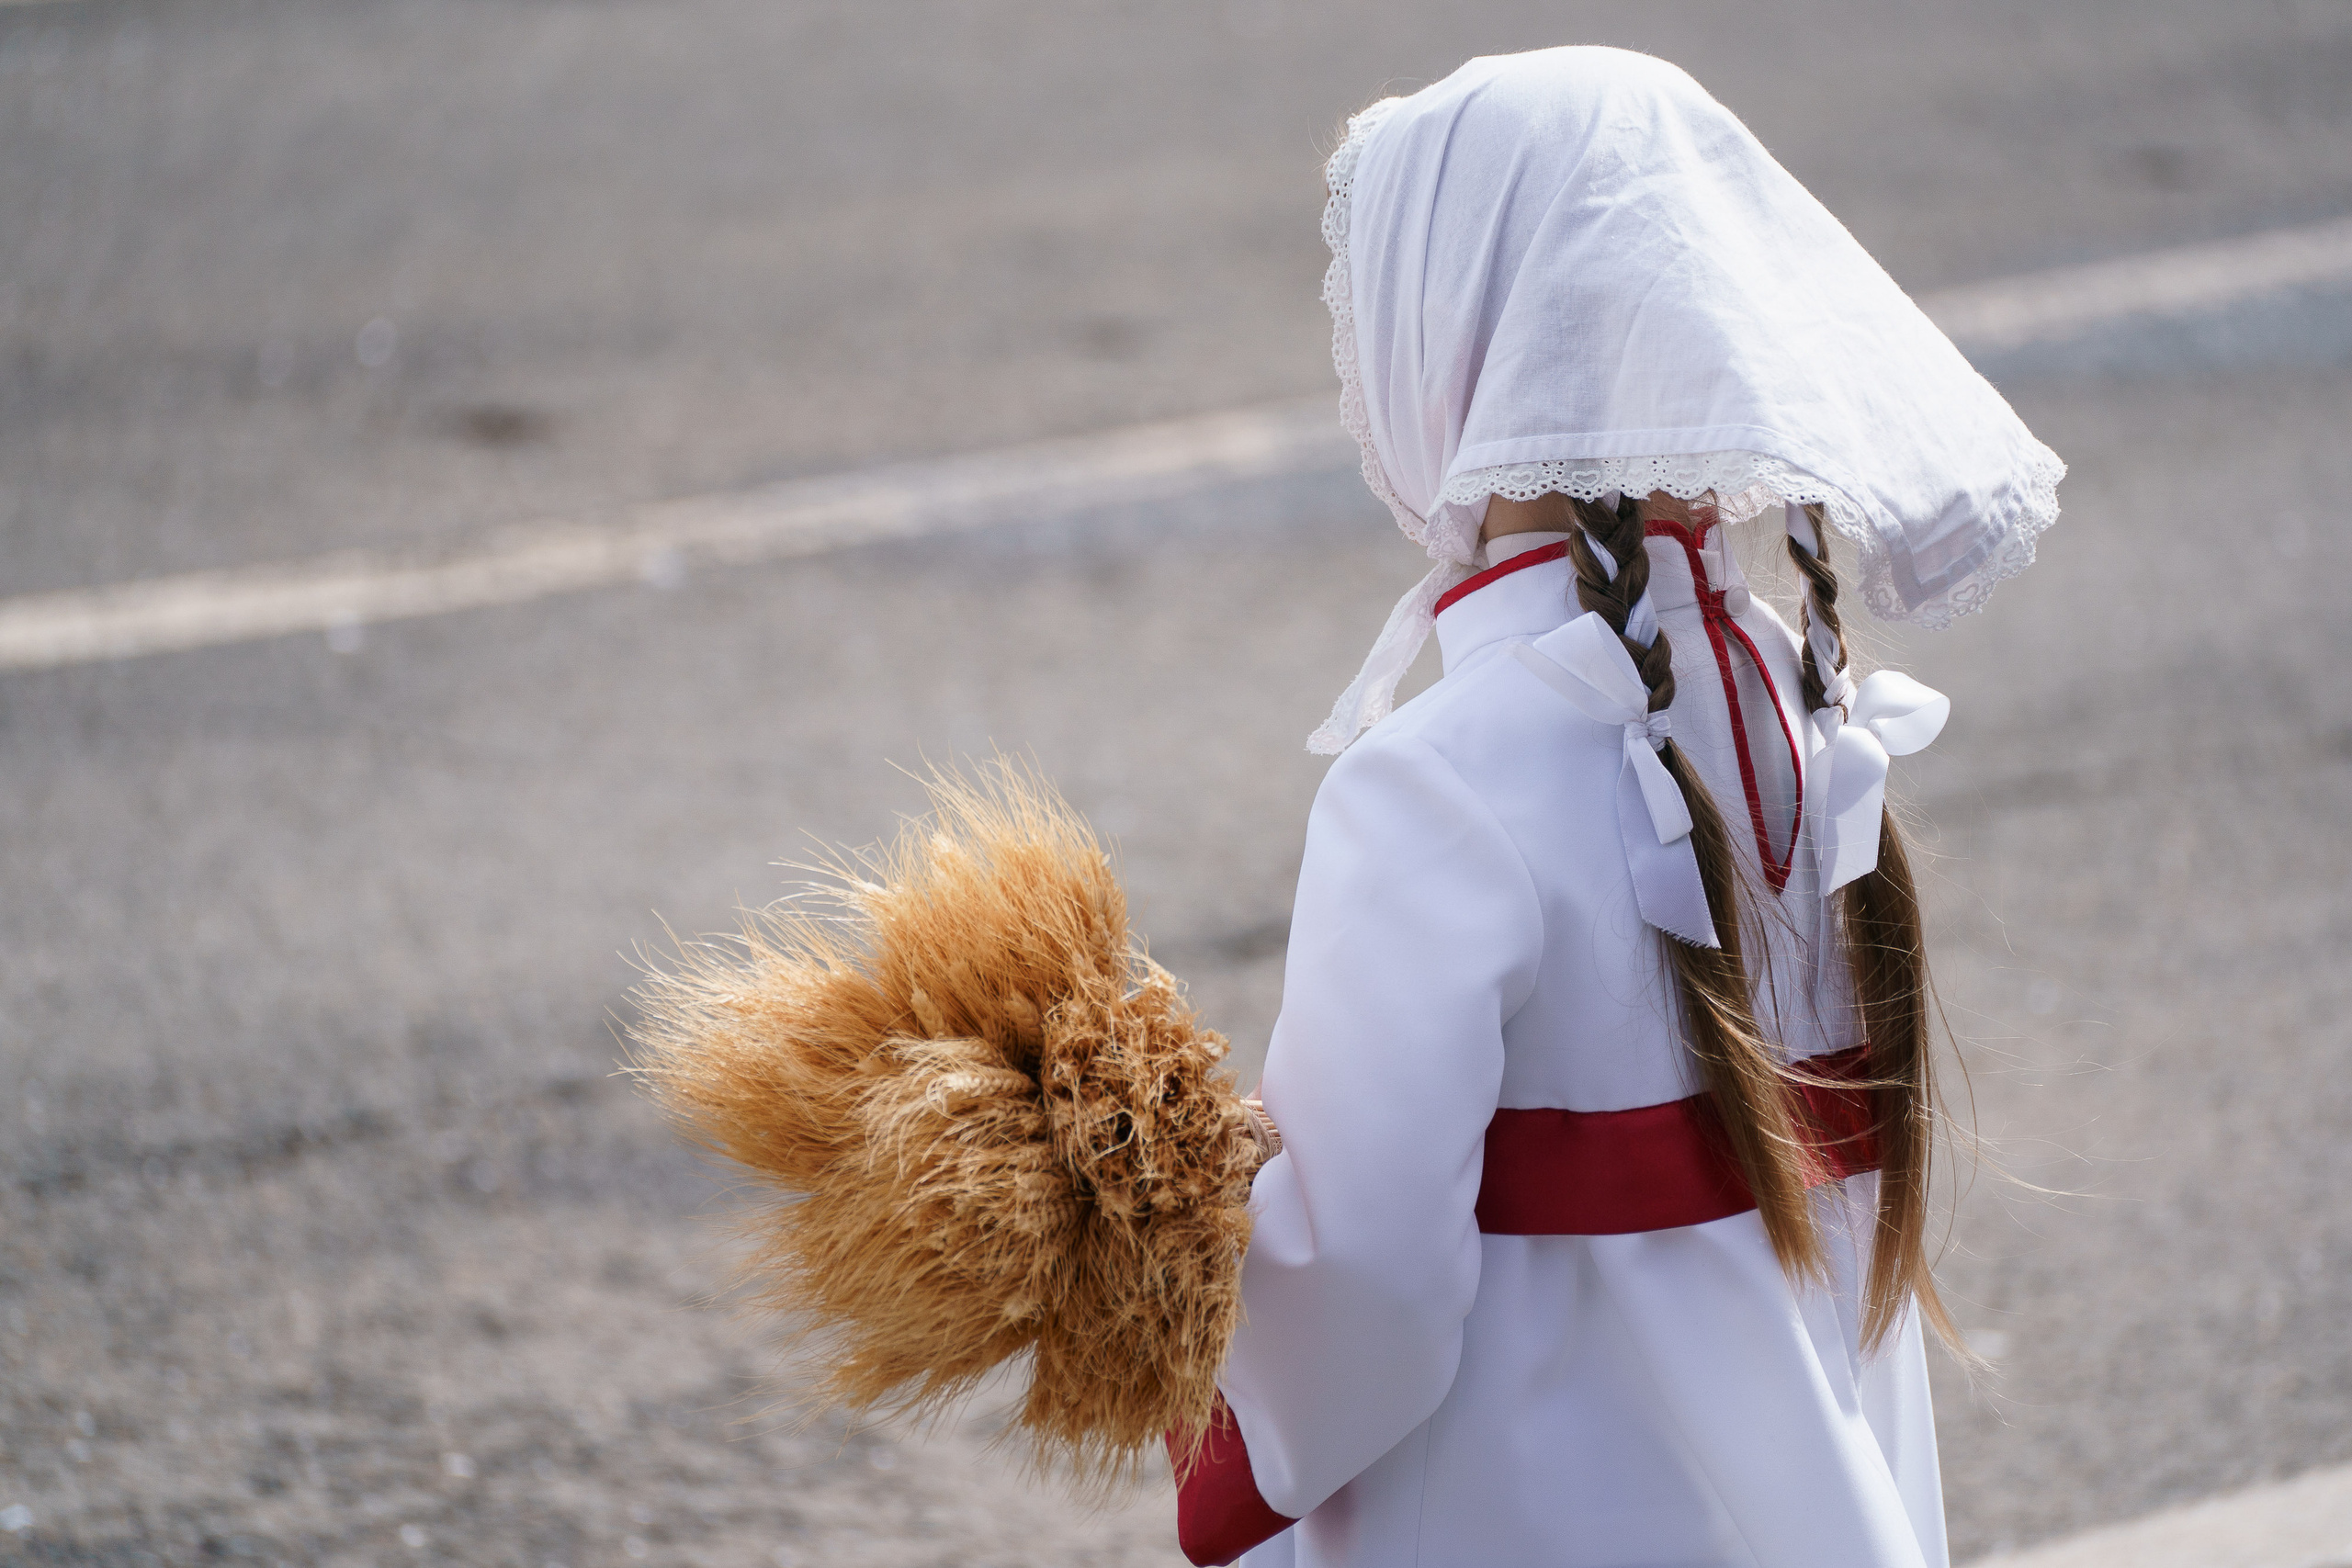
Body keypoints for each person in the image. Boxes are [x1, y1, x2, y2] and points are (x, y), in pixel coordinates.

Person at [1171, 46, 2064, 1568]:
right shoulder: (1810, 700)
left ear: (1456, 343)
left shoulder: (1436, 779)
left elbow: (1367, 1288)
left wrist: (1224, 1441)